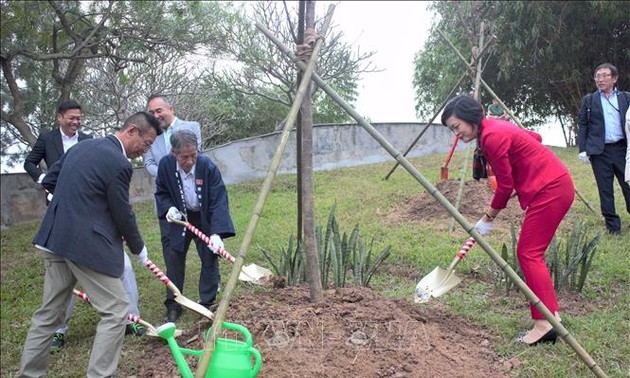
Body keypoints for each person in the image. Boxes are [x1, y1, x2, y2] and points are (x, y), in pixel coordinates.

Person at [18, 112, 161, 378]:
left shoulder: (81, 147)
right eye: (147, 142)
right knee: (117, 309)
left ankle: (28, 375)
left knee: (47, 315)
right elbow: (122, 212)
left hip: (54, 237)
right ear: (132, 131)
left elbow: (48, 181)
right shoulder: (119, 163)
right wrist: (138, 248)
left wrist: (70, 202)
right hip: (82, 244)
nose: (145, 150)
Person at [441, 94, 574, 346]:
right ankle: (550, 316)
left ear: (470, 118)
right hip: (553, 184)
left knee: (529, 253)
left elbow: (504, 185)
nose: (456, 134)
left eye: (457, 127)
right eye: (452, 130)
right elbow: (535, 138)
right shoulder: (495, 126)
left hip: (551, 189)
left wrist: (489, 216)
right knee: (530, 252)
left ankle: (545, 324)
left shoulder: (491, 136)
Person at [155, 130, 235, 323]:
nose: (190, 161)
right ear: (174, 153)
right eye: (184, 157)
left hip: (203, 216)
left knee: (209, 256)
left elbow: (218, 199)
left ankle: (206, 302)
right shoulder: (166, 165)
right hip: (178, 217)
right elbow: (161, 192)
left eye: (193, 155)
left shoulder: (207, 166)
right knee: (173, 258)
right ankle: (174, 304)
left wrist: (216, 233)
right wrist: (169, 208)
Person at [577, 63, 630, 235]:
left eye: (605, 75)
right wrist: (583, 149)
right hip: (599, 152)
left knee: (628, 184)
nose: (600, 79)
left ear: (614, 78)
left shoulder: (625, 98)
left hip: (622, 149)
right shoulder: (589, 100)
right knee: (605, 189)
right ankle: (613, 227)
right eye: (597, 76)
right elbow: (583, 125)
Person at [24, 100, 92, 203]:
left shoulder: (88, 140)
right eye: (71, 118)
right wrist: (45, 179)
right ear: (59, 117)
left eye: (78, 118)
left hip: (84, 198)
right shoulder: (47, 139)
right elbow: (29, 163)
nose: (75, 122)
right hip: (56, 199)